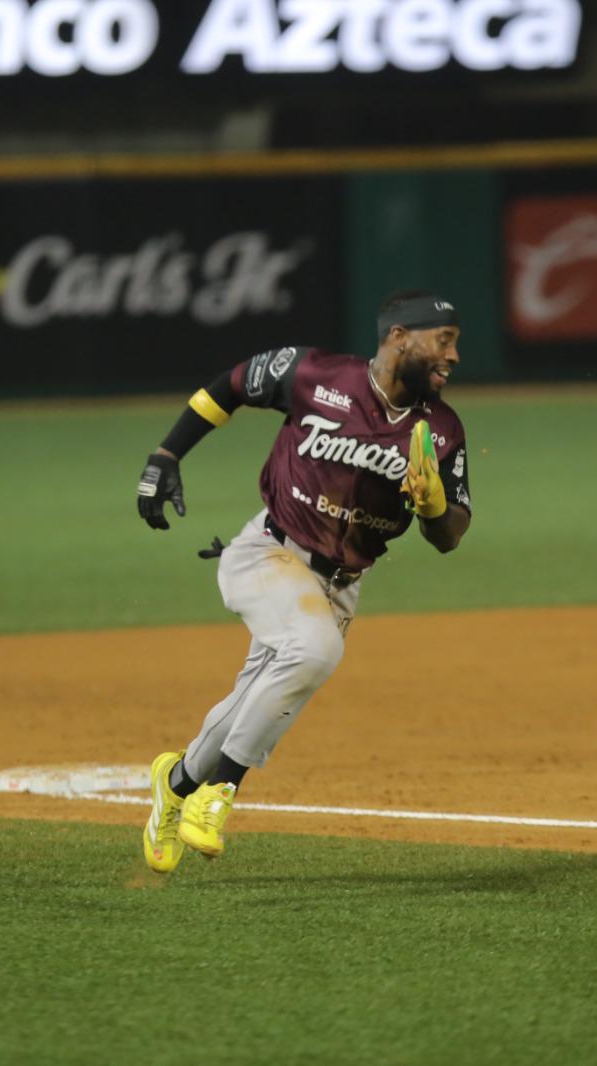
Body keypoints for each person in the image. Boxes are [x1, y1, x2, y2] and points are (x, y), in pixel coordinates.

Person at [133, 290, 472, 873]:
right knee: (315, 649)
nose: (454, 356)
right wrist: (167, 453)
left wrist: (436, 507)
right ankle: (221, 792)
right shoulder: (314, 374)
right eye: (443, 341)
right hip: (267, 554)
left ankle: (178, 782)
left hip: (340, 587)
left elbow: (450, 535)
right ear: (399, 337)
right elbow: (231, 385)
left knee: (253, 700)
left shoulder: (440, 430)